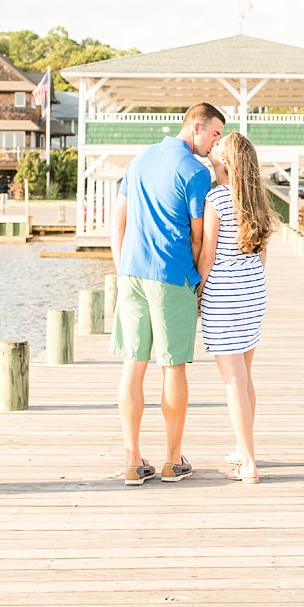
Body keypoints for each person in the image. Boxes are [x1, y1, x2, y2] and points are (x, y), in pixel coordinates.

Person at [109, 102, 226, 485]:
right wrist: (197, 282)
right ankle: (173, 461)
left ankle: (132, 460)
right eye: (214, 134)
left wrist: (121, 264)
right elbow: (198, 235)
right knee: (172, 365)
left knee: (133, 365)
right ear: (195, 126)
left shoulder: (139, 159)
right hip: (171, 276)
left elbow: (118, 219)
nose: (215, 143)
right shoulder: (196, 172)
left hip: (131, 273)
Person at [197, 132, 278, 484]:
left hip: (225, 293)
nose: (212, 148)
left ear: (226, 162)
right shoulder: (257, 200)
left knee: (233, 381)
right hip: (252, 291)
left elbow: (208, 256)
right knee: (244, 377)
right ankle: (242, 446)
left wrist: (198, 293)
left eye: (219, 147)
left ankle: (248, 462)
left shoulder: (216, 198)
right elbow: (262, 256)